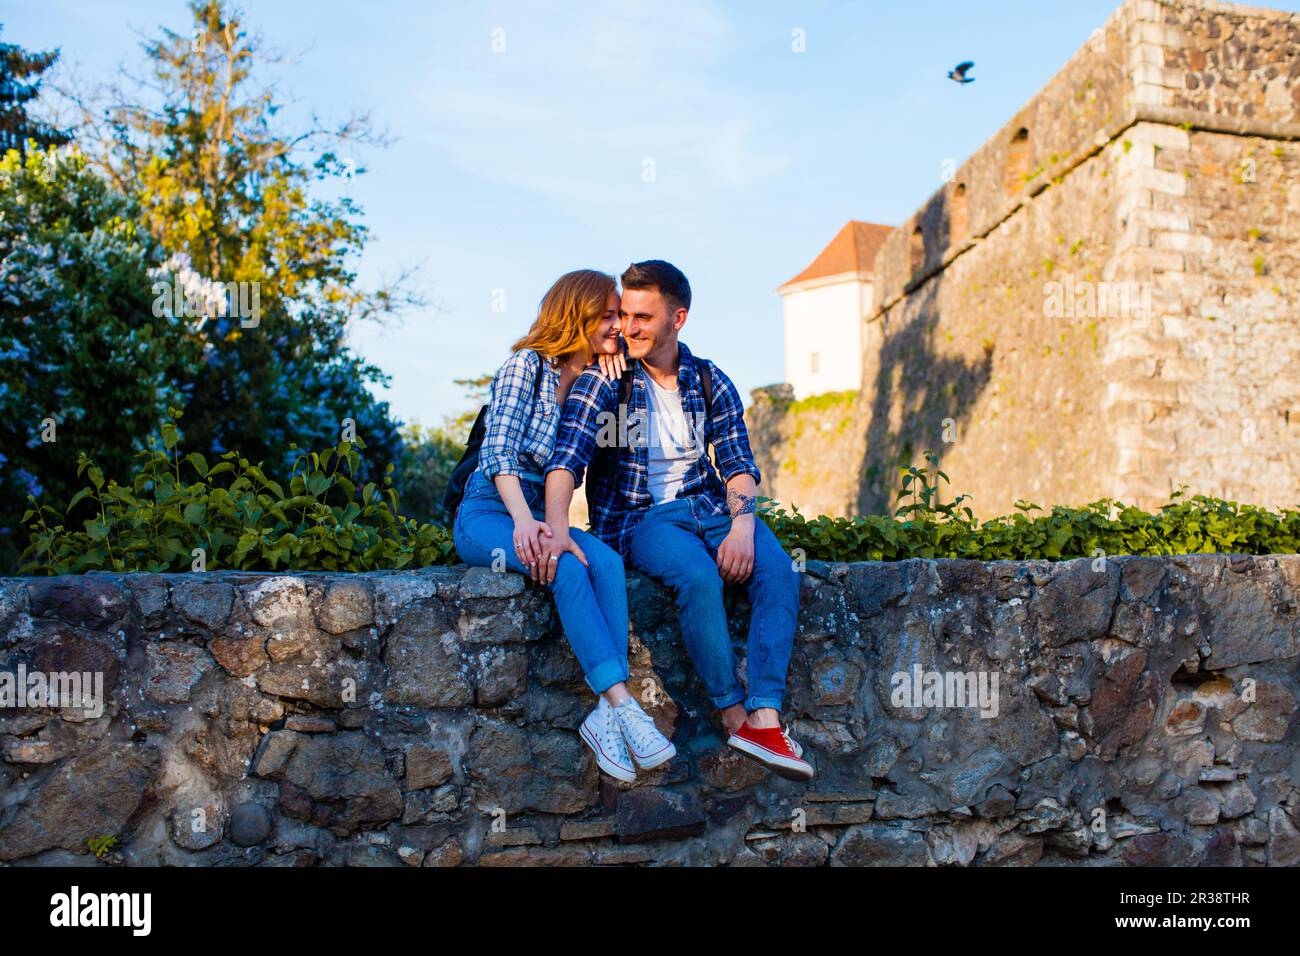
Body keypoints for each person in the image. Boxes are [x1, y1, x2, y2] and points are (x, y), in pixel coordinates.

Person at [541, 260, 812, 780]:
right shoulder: (606, 382)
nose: (627, 327)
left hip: (708, 506)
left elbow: (737, 465)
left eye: (643, 316)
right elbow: (565, 461)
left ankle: (766, 717)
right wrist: (556, 530)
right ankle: (733, 715)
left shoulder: (710, 379)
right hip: (641, 519)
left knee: (778, 571)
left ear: (678, 318)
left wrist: (742, 526)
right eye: (623, 315)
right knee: (696, 575)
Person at [452, 269, 675, 783]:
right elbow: (498, 453)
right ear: (576, 314)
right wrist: (528, 523)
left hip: (539, 511)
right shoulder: (525, 366)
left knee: (606, 561)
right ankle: (622, 704)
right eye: (609, 315)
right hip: (491, 509)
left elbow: (576, 464)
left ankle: (605, 715)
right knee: (565, 569)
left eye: (619, 314)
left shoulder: (592, 376)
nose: (619, 325)